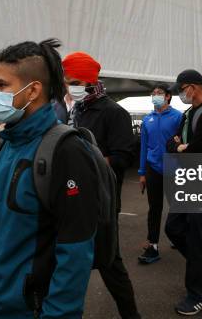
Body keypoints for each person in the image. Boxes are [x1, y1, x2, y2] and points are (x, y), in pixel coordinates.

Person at [0, 39, 98, 318]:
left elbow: (76, 248)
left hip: (32, 308)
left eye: (2, 85)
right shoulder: (7, 142)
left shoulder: (66, 150)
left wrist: (58, 314)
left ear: (32, 90)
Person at [62, 51, 140, 319]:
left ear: (87, 82)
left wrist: (88, 163)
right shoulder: (78, 110)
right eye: (66, 81)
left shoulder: (113, 112)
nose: (67, 86)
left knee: (110, 263)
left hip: (103, 200)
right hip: (74, 198)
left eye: (72, 81)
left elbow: (124, 156)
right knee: (70, 262)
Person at [165, 69, 202, 316]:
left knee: (196, 237)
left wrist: (182, 149)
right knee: (174, 228)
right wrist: (181, 147)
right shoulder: (189, 114)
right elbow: (173, 143)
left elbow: (201, 154)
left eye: (181, 89)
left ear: (193, 87)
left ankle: (199, 295)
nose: (180, 94)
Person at [137, 83, 182, 264]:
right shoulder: (147, 119)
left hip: (174, 169)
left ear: (168, 96)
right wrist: (142, 172)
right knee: (154, 208)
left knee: (177, 206)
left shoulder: (178, 117)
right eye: (153, 93)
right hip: (152, 168)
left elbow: (183, 143)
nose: (156, 95)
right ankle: (153, 245)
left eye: (160, 93)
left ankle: (177, 236)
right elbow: (143, 147)